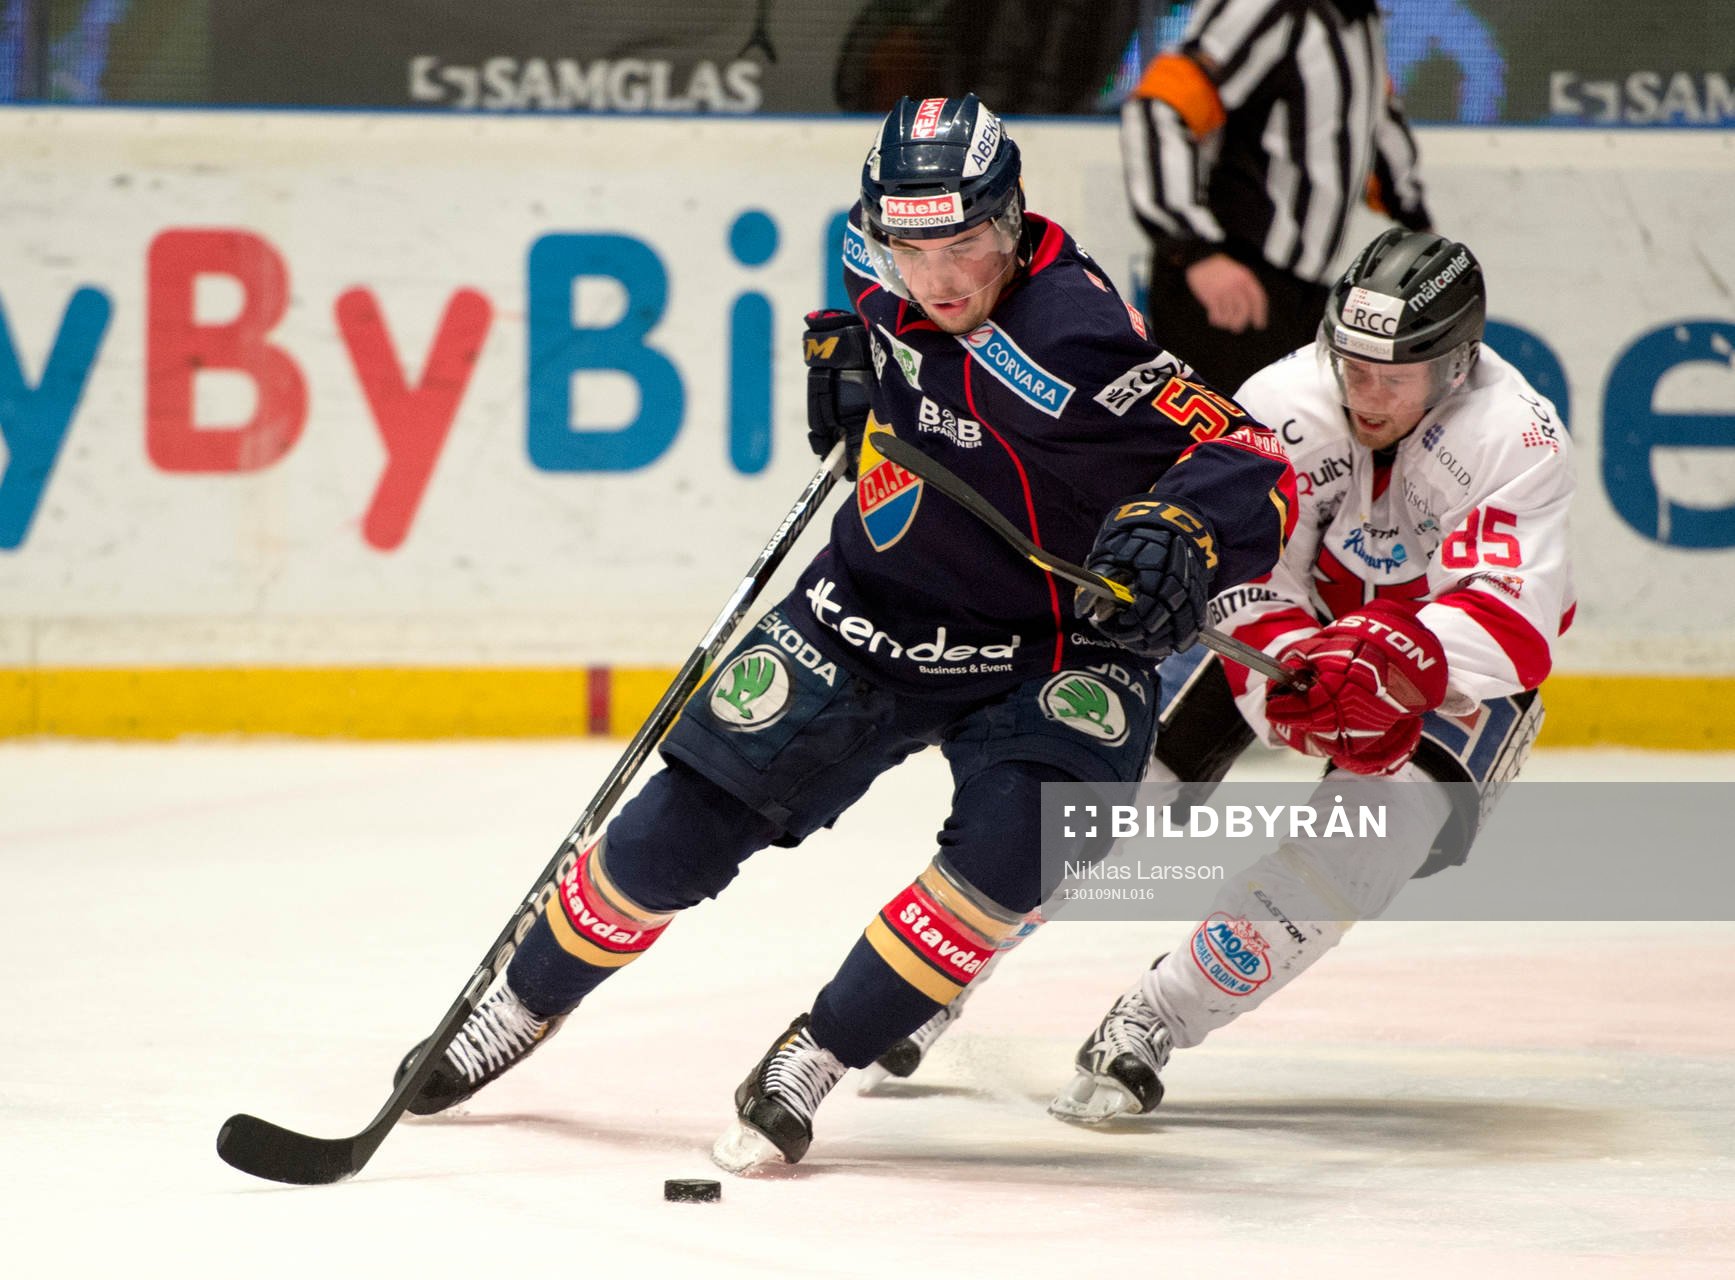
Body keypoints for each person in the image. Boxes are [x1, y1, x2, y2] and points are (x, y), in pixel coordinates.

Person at [390, 93, 1296, 1172]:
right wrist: (843, 346)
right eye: (913, 247)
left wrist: (1185, 526)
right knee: (677, 828)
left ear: (1012, 222)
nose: (939, 277)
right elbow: (873, 305)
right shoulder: (874, 257)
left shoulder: (1075, 333)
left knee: (1021, 849)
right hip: (870, 607)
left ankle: (817, 1055)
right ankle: (519, 1006)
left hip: (1054, 642)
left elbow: (1252, 456)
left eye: (964, 246)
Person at [873, 229, 1576, 1125]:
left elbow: (1513, 621)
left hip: (1442, 666)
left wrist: (1381, 661)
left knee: (1361, 851)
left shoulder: (1517, 436)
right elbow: (1246, 564)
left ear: (1455, 365)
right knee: (1098, 792)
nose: (1363, 395)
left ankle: (1156, 1017)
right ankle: (939, 973)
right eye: (1351, 366)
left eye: (1391, 377)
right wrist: (1289, 676)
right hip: (1288, 633)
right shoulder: (1282, 398)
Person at [1122, 0, 1432, 393]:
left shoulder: (1356, 17)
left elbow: (1370, 130)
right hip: (1232, 282)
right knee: (1230, 432)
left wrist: (1422, 233)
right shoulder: (1271, 7)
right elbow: (1159, 109)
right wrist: (1193, 250)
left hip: (1299, 295)